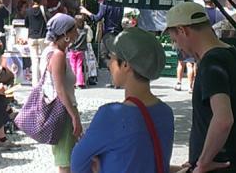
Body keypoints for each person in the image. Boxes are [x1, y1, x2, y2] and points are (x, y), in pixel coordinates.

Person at [165, 2, 236, 173]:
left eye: (175, 40)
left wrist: (203, 162)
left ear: (183, 30)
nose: (178, 47)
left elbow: (223, 119)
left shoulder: (211, 63)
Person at [71, 28, 174, 173]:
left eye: (111, 57)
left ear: (125, 65)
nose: (108, 64)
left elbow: (78, 161)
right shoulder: (166, 113)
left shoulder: (111, 115)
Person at [40, 13, 82, 173]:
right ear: (65, 34)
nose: (77, 34)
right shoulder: (57, 55)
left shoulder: (49, 52)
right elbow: (60, 89)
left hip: (59, 110)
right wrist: (74, 116)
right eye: (74, 30)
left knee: (65, 160)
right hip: (63, 112)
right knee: (65, 162)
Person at [81, 2, 124, 69]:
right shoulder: (120, 4)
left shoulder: (105, 4)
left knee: (104, 55)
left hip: (109, 34)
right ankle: (115, 70)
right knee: (115, 56)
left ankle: (113, 70)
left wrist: (85, 11)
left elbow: (97, 18)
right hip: (118, 33)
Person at [68, 15, 89, 89]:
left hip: (73, 50)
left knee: (72, 66)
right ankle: (80, 82)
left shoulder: (73, 30)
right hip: (81, 50)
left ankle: (72, 82)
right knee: (79, 66)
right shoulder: (85, 30)